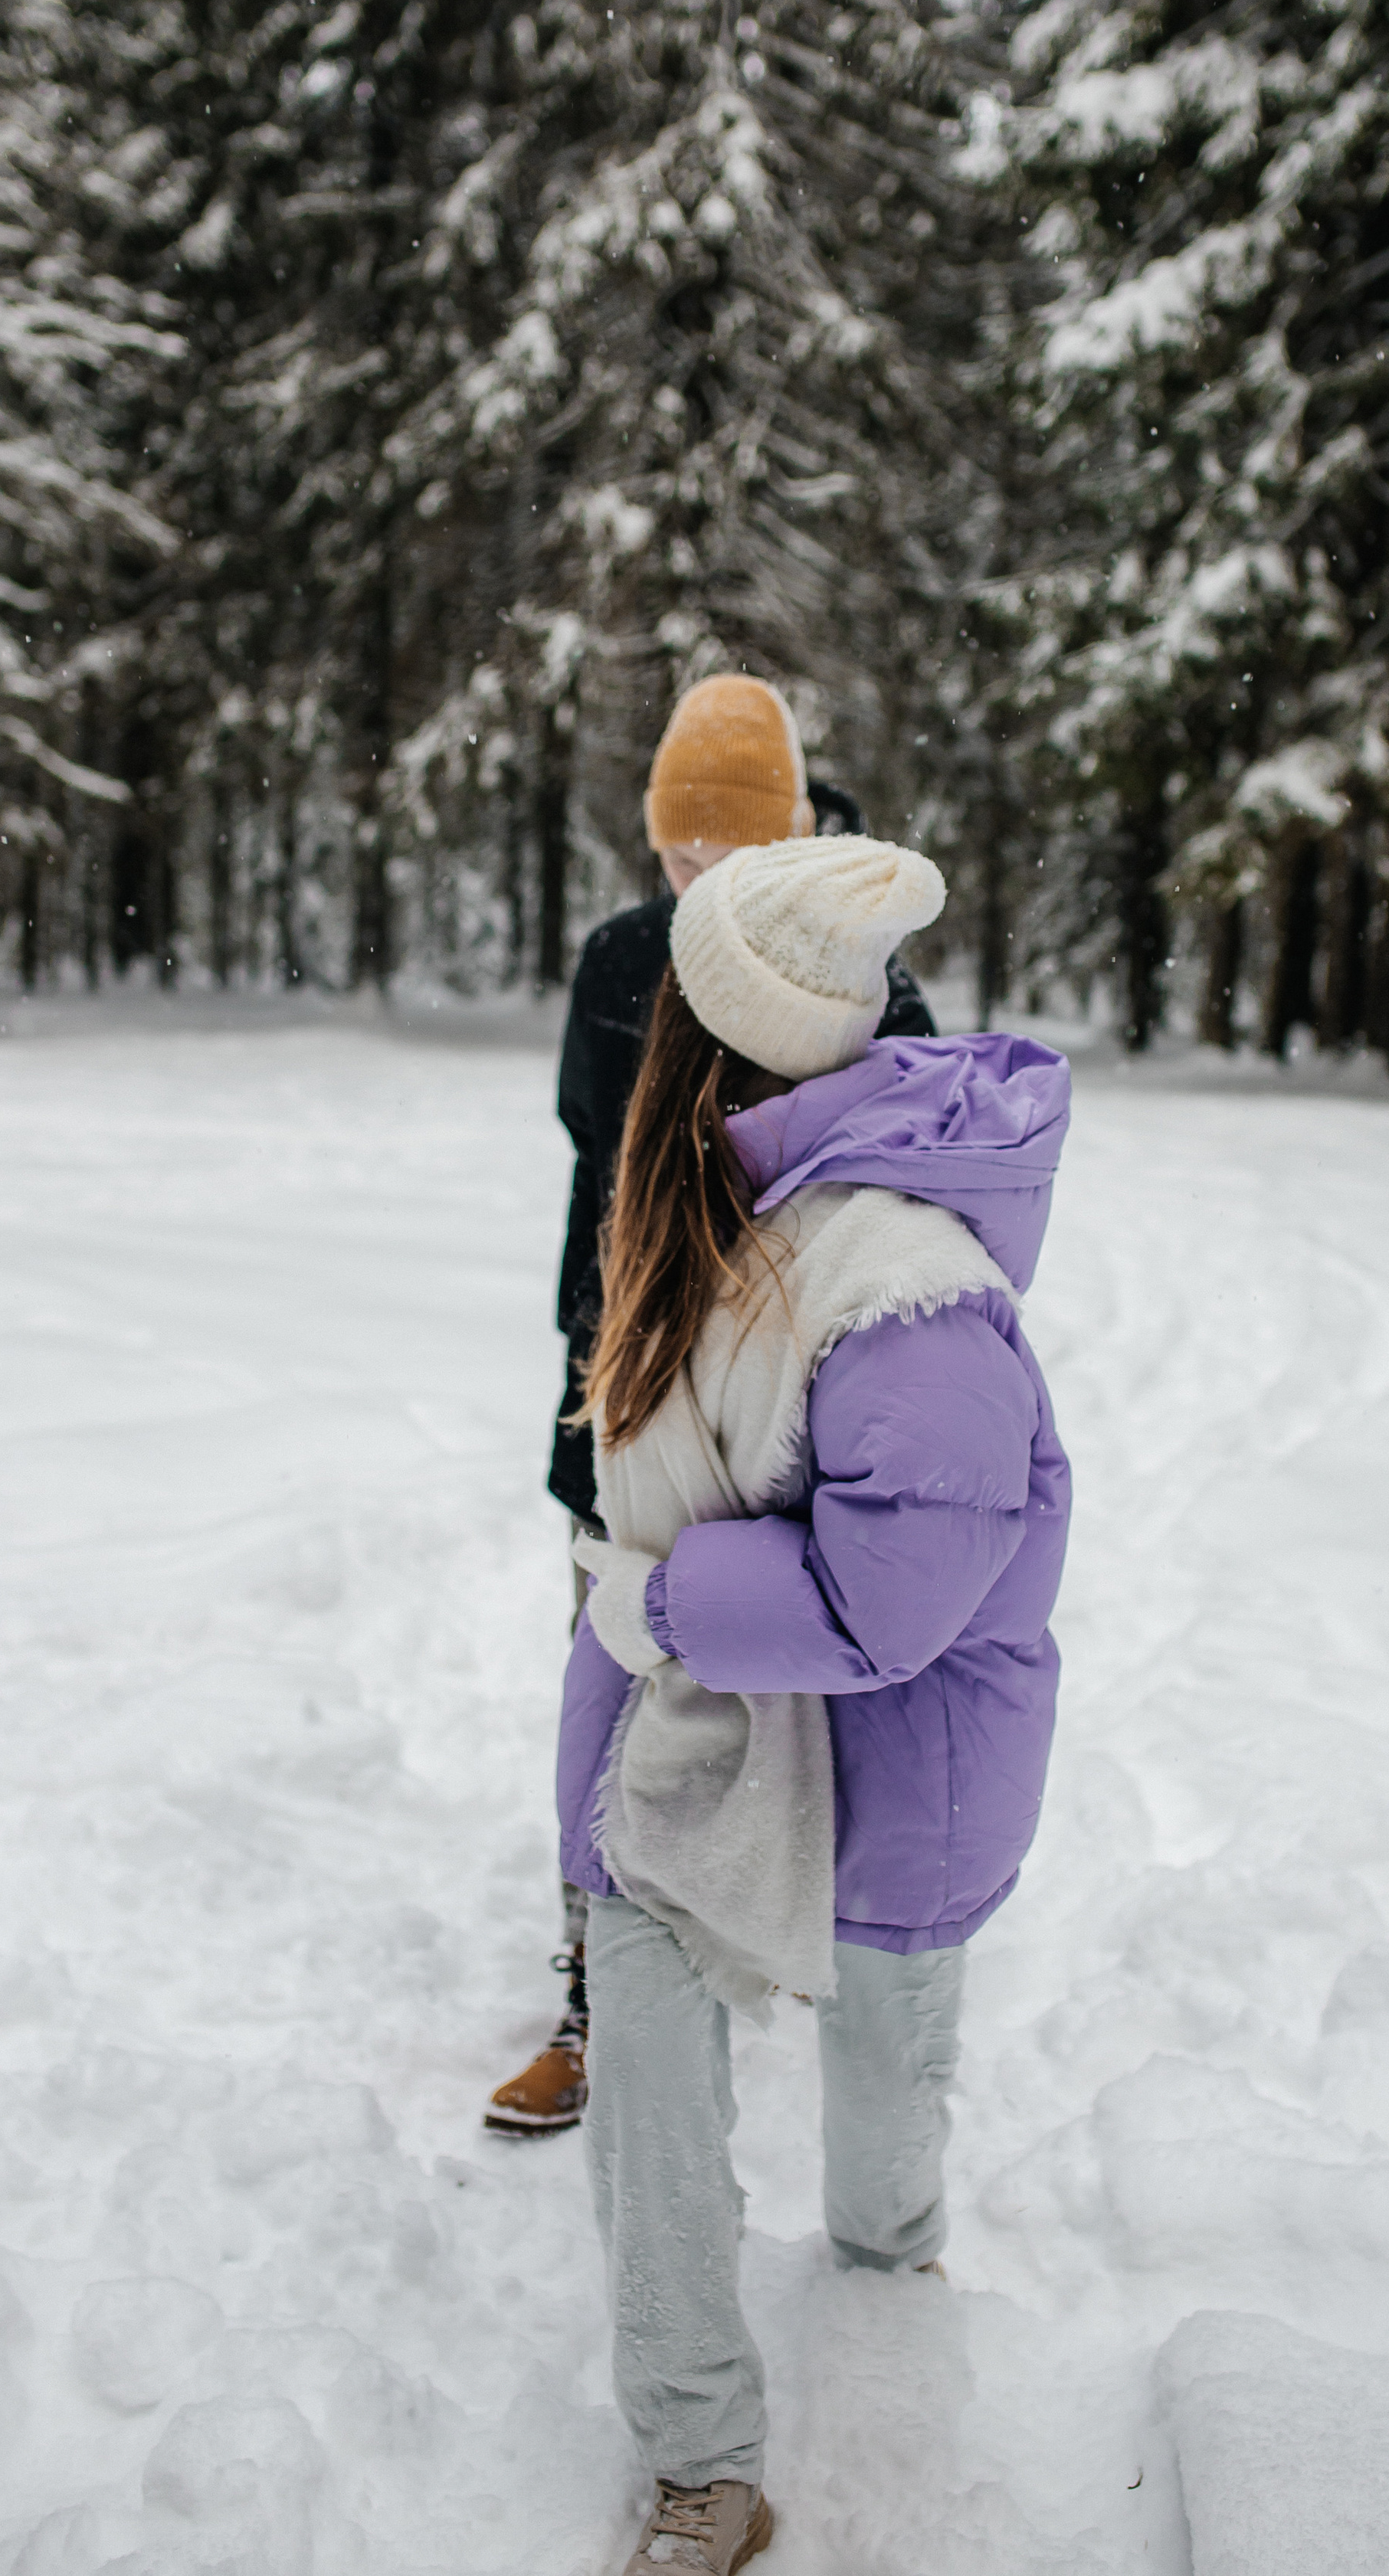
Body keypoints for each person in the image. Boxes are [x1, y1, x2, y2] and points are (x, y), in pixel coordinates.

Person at [558, 834, 1071, 2576]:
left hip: (885, 1777)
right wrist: (633, 1626)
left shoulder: (903, 1283)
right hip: (671, 1731)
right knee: (646, 2102)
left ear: (710, 1044)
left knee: (877, 2112)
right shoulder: (707, 1200)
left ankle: (892, 2263)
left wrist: (653, 1600)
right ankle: (702, 2456)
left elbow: (890, 1596)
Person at [484, 676, 932, 2137]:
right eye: (682, 859)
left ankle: (832, 1973)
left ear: (792, 834)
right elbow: (591, 1182)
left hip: (796, 1435)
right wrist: (589, 1377)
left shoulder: (870, 967)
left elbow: (908, 1190)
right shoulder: (622, 960)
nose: (701, 887)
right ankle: (599, 2004)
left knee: (826, 1730)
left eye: (731, 858)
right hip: (632, 1414)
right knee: (616, 1717)